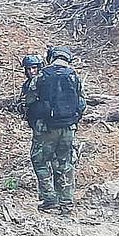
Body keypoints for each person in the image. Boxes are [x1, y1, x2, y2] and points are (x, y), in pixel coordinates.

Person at [24, 46, 86, 215]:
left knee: (40, 161)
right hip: (68, 128)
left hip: (46, 128)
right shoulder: (74, 76)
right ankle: (66, 203)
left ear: (51, 57)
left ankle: (50, 199)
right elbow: (82, 104)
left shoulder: (42, 75)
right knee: (65, 164)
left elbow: (29, 100)